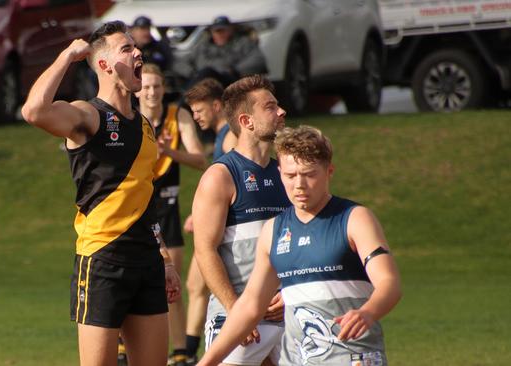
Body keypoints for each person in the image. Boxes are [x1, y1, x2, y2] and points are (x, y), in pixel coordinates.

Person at [21, 21, 181, 366]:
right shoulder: (88, 115)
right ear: (105, 65)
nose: (138, 52)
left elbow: (145, 199)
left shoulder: (145, 126)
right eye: (126, 49)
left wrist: (165, 259)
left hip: (148, 262)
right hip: (104, 260)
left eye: (135, 48)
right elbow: (33, 111)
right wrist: (68, 56)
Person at [197, 126, 403, 366]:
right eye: (291, 175)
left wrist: (368, 313)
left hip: (353, 358)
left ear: (329, 172)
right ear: (279, 173)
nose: (299, 185)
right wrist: (206, 362)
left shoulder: (355, 219)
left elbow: (390, 284)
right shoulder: (274, 231)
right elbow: (250, 305)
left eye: (309, 174)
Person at [191, 75, 290, 366]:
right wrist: (237, 312)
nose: (282, 112)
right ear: (247, 121)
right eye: (271, 107)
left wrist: (291, 293)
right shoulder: (221, 176)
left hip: (285, 316)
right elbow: (205, 250)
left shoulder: (288, 174)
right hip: (235, 317)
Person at [137, 63, 208, 366]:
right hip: (135, 206)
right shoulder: (128, 117)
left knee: (171, 280)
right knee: (136, 277)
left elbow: (200, 159)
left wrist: (168, 152)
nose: (152, 92)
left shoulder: (176, 117)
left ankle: (181, 351)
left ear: (164, 88)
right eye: (146, 86)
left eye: (157, 86)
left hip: (166, 206)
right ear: (137, 88)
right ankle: (127, 343)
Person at [173, 77, 238, 364]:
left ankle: (190, 353)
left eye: (199, 110)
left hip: (226, 230)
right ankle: (188, 352)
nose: (195, 116)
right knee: (195, 286)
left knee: (199, 286)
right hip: (216, 224)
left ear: (216, 105)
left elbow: (236, 183)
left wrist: (204, 216)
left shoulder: (231, 137)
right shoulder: (223, 138)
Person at [174, 16, 267, 88]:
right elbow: (180, 63)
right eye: (216, 31)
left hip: (229, 81)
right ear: (212, 32)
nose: (220, 34)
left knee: (207, 72)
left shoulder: (242, 42)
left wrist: (236, 70)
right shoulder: (203, 46)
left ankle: (186, 100)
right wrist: (192, 73)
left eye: (223, 31)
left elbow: (257, 59)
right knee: (205, 73)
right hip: (201, 81)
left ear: (230, 30)